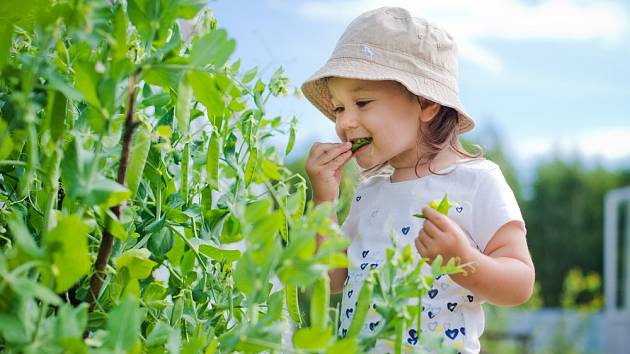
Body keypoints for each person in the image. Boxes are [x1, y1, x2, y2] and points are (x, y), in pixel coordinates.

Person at [302, 6, 535, 354]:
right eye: (338, 108)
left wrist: (461, 259)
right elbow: (332, 281)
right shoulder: (370, 194)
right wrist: (324, 201)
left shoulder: (477, 181)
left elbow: (519, 284)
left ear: (426, 104)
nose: (344, 123)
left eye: (362, 102)